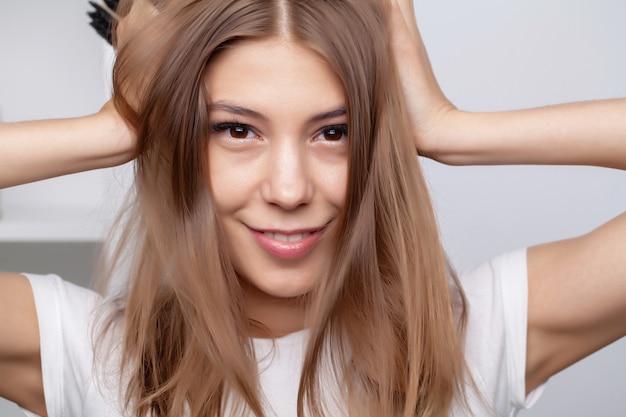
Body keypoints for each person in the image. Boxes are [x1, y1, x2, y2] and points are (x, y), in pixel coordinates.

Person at [0, 0, 624, 416]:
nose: (291, 189)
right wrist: (119, 130)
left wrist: (447, 129)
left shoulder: (477, 337)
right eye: (237, 131)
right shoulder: (94, 355)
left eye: (334, 132)